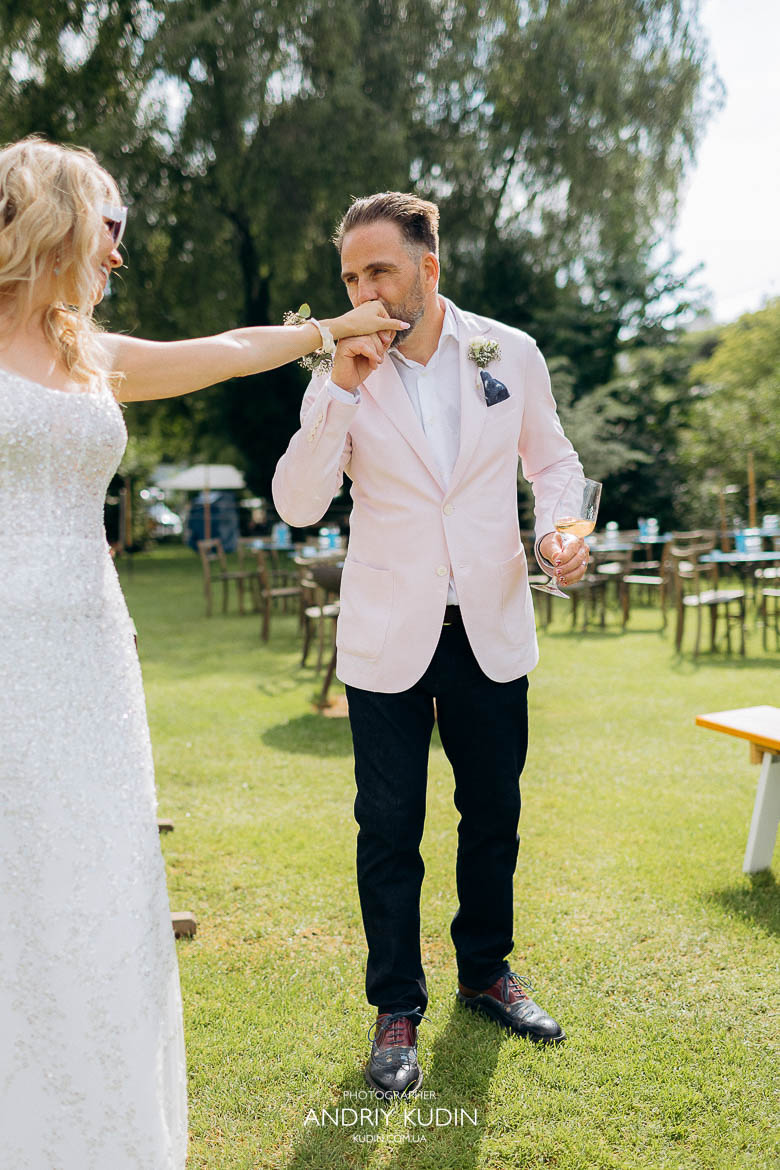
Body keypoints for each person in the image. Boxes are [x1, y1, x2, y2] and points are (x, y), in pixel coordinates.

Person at [0, 137, 406, 1168]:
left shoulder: (91, 351)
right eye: (112, 228)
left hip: (90, 651)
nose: (120, 255)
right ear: (54, 220)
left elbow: (227, 348)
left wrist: (331, 331)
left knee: (98, 876)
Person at [273, 191, 589, 1096]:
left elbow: (553, 463)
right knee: (389, 829)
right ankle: (395, 1006)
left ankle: (487, 972)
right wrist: (338, 384)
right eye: (348, 276)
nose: (362, 289)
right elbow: (298, 503)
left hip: (489, 623)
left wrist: (560, 529)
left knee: (493, 817)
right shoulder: (337, 373)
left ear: (428, 268)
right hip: (387, 634)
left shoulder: (508, 351)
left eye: (378, 270)